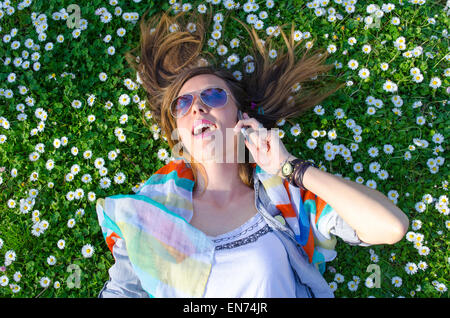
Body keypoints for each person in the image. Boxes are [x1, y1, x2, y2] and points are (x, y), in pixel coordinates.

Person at [96, 7, 409, 298]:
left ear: (241, 117)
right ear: (176, 129)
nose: (198, 106)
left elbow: (390, 227)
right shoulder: (147, 215)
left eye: (214, 95)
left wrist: (290, 166)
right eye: (183, 103)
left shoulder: (285, 197)